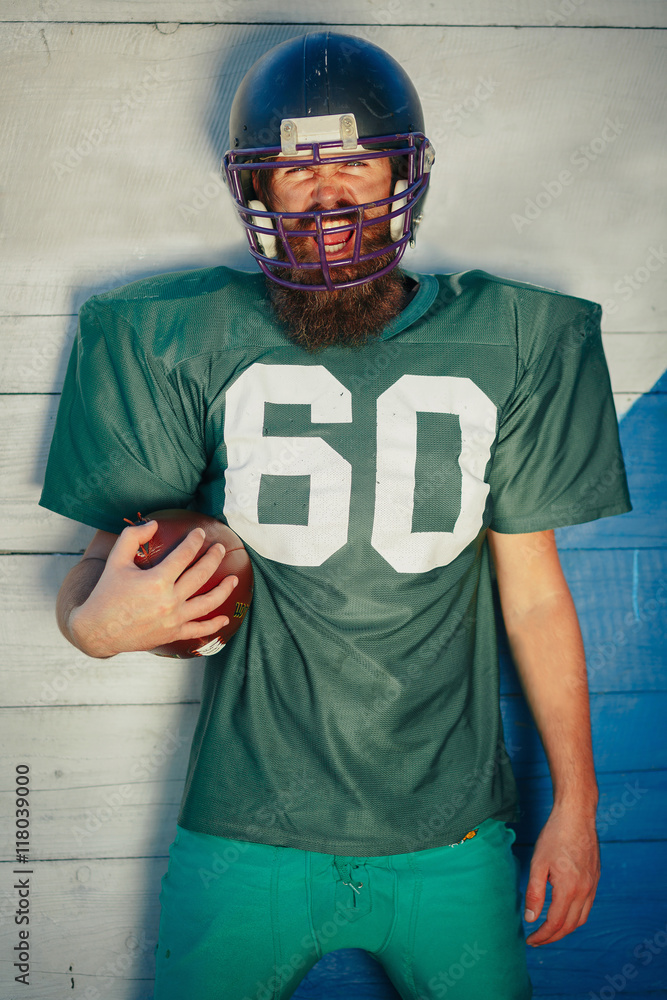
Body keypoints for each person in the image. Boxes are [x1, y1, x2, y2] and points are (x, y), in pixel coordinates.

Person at [40, 31, 632, 1000]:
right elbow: (96, 571)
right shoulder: (178, 339)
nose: (328, 196)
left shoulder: (512, 341)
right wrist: (94, 628)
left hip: (453, 838)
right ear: (256, 193)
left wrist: (577, 802)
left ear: (403, 171)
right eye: (292, 171)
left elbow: (532, 595)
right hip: (243, 833)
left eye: (357, 163)